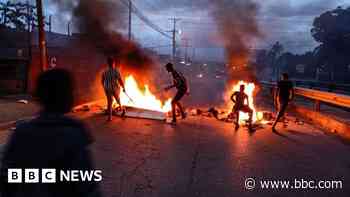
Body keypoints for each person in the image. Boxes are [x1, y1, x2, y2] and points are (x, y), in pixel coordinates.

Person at [0, 69, 101, 197]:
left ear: (39, 97)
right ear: (68, 98)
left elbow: (7, 178)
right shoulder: (74, 135)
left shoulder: (22, 132)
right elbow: (87, 187)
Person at [102, 57, 126, 121]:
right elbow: (120, 80)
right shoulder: (116, 71)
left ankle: (110, 118)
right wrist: (123, 87)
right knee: (118, 100)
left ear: (108, 64)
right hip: (115, 88)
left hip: (107, 89)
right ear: (113, 63)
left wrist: (104, 87)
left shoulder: (105, 72)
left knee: (109, 102)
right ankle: (123, 109)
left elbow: (102, 81)